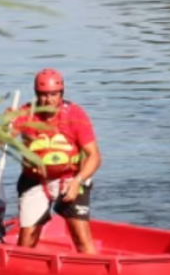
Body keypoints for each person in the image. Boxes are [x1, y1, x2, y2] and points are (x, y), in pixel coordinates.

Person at [9, 68, 102, 254]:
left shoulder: (75, 115)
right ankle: (25, 274)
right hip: (35, 180)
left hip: (72, 178)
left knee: (81, 237)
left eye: (53, 95)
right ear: (36, 95)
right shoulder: (24, 113)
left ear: (61, 94)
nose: (48, 100)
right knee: (26, 241)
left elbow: (95, 156)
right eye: (43, 95)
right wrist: (4, 125)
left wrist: (78, 182)